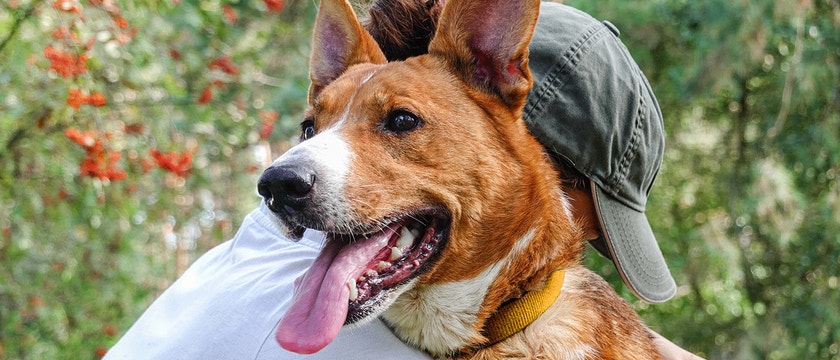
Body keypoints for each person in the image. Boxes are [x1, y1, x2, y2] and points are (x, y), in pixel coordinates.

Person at [106, 1, 701, 359]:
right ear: (524, 155)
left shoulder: (247, 254)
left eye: (398, 122)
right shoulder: (339, 333)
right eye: (317, 128)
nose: (562, 243)